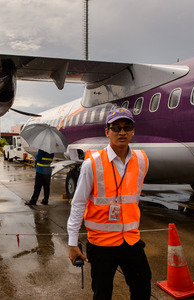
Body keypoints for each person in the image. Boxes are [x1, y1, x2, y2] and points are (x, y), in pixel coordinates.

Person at [67, 108, 151, 300]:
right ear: (107, 132)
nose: (122, 132)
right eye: (116, 128)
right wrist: (72, 243)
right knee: (102, 293)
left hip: (131, 239)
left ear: (132, 131)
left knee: (143, 286)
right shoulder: (92, 164)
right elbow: (78, 203)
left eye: (126, 127)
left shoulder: (141, 160)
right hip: (102, 243)